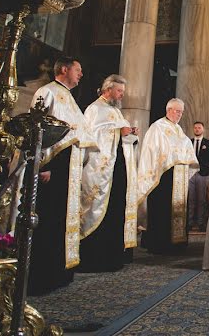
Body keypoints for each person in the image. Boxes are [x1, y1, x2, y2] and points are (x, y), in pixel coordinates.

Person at [26, 56, 94, 294]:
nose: (81, 74)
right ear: (64, 69)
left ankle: (59, 270)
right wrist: (43, 165)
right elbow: (39, 127)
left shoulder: (70, 98)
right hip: (52, 166)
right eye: (78, 69)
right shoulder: (47, 92)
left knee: (63, 219)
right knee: (49, 218)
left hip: (70, 167)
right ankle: (43, 274)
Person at [79, 74, 139, 272]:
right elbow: (91, 137)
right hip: (101, 170)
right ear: (108, 89)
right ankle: (96, 258)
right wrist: (117, 132)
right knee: (101, 209)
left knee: (115, 209)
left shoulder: (114, 111)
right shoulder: (95, 109)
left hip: (117, 168)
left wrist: (130, 135)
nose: (122, 95)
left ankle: (113, 256)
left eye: (122, 92)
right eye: (119, 91)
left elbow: (120, 136)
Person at [137, 98, 198, 253]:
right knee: (162, 209)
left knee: (177, 209)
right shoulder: (157, 127)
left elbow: (186, 147)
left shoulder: (178, 129)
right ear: (168, 110)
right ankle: (160, 243)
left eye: (181, 112)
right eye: (177, 111)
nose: (179, 115)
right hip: (163, 176)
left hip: (179, 176)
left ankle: (177, 243)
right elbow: (151, 152)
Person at [188, 121, 209, 232]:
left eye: (199, 128)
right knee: (191, 198)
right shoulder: (188, 142)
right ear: (193, 129)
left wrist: (199, 164)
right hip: (190, 173)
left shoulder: (208, 143)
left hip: (203, 173)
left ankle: (201, 222)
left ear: (203, 129)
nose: (197, 129)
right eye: (196, 128)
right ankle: (189, 222)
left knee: (202, 199)